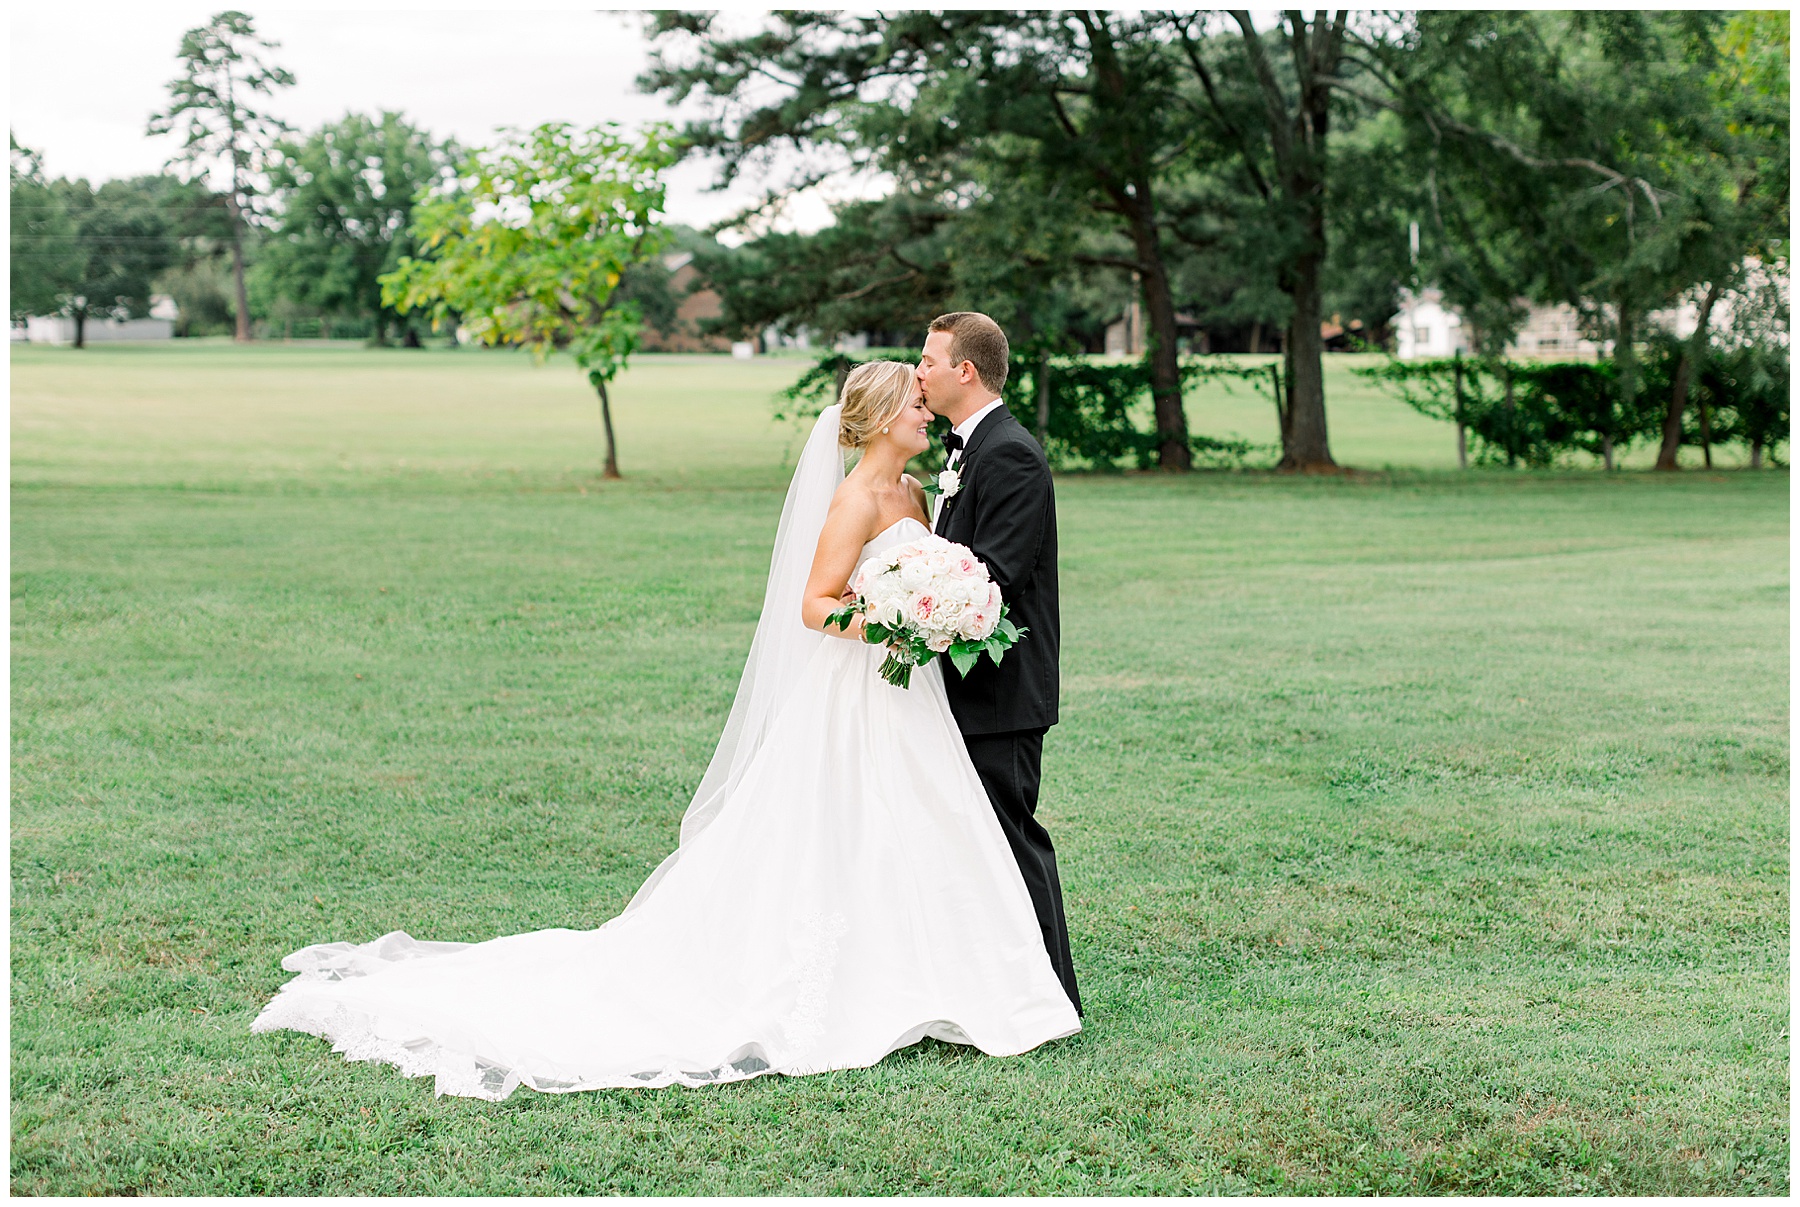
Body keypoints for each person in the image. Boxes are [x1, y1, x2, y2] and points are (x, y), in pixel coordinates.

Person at [251, 360, 1080, 1100]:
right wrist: (891, 621)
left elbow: (945, 569)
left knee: (919, 826)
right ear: (876, 417)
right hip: (856, 688)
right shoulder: (856, 497)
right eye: (913, 401)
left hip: (908, 696)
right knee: (837, 830)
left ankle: (929, 975)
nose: (925, 411)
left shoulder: (910, 491)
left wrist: (926, 606)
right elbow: (815, 604)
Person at [918, 312, 1081, 1015]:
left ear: (966, 371)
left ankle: (1052, 995)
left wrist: (908, 606)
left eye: (928, 359)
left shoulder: (1010, 454)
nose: (917, 371)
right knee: (975, 843)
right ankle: (990, 987)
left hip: (1000, 690)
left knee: (1013, 839)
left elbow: (994, 578)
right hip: (959, 687)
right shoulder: (966, 450)